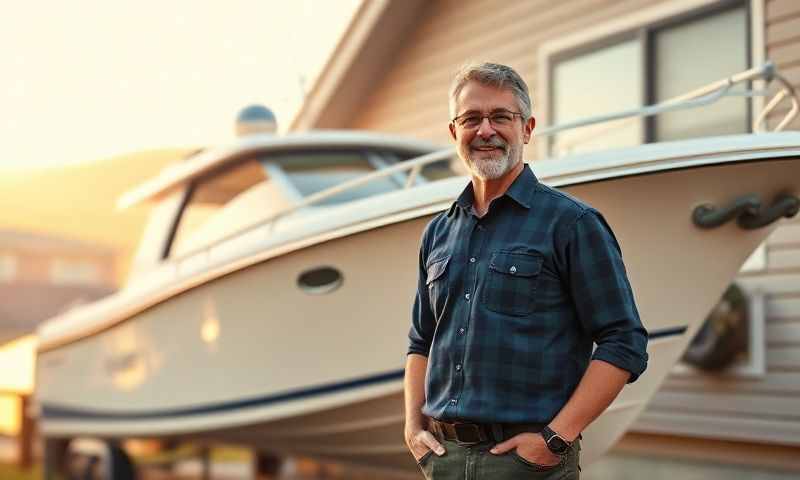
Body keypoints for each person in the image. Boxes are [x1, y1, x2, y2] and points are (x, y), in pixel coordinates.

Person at [404, 62, 649, 479]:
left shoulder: (572, 223)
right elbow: (421, 340)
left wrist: (554, 440)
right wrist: (413, 427)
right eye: (471, 119)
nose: (485, 130)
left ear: (528, 129)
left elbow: (624, 342)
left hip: (527, 465)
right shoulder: (438, 233)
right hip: (443, 461)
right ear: (453, 133)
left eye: (501, 117)